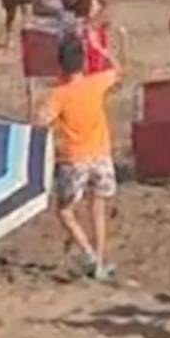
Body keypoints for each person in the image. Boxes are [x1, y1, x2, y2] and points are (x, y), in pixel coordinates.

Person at [35, 39, 119, 280]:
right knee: (98, 210)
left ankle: (88, 253)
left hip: (74, 159)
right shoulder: (96, 83)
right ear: (83, 63)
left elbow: (39, 121)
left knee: (65, 211)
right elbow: (118, 70)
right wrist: (101, 49)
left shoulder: (59, 95)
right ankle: (99, 261)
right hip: (101, 155)